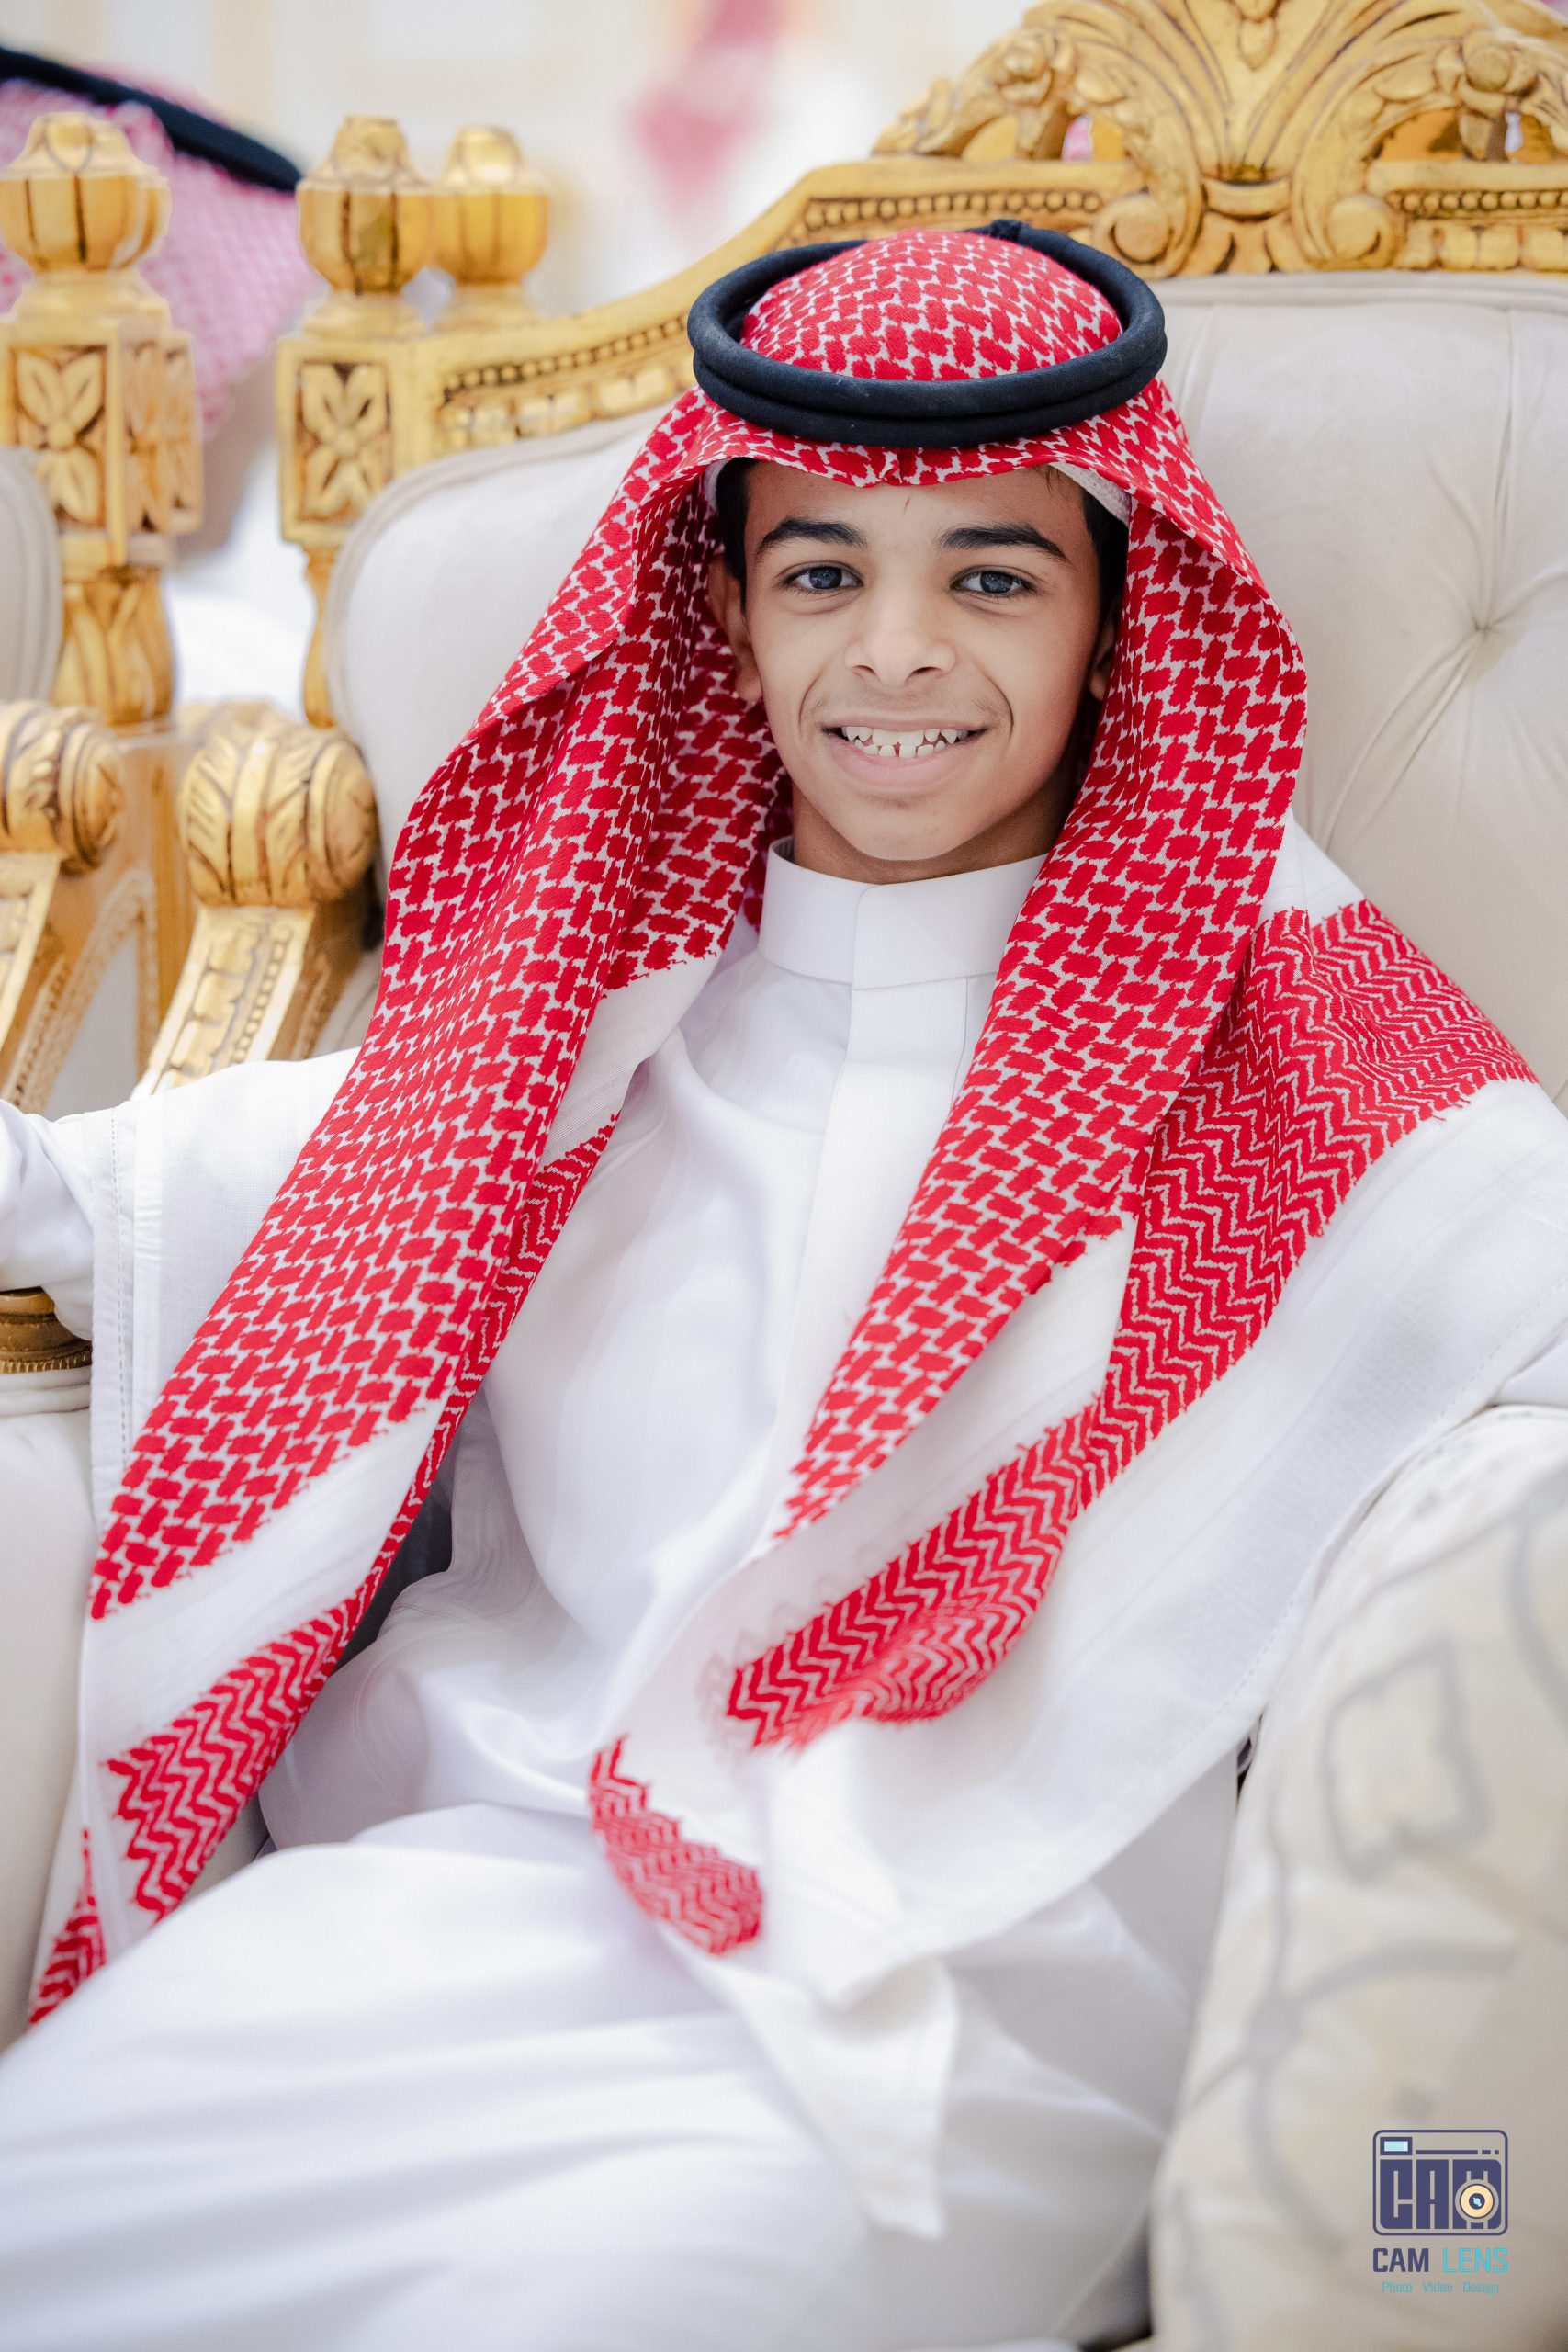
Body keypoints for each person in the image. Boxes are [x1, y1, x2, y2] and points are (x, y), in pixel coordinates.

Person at [1, 222, 1567, 2352]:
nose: (895, 651)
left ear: (1113, 619)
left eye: (990, 578)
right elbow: (134, 1194)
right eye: (822, 571)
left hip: (964, 1978)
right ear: (725, 619)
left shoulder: (1278, 1050)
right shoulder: (581, 1034)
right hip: (468, 1900)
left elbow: (1501, 1251)